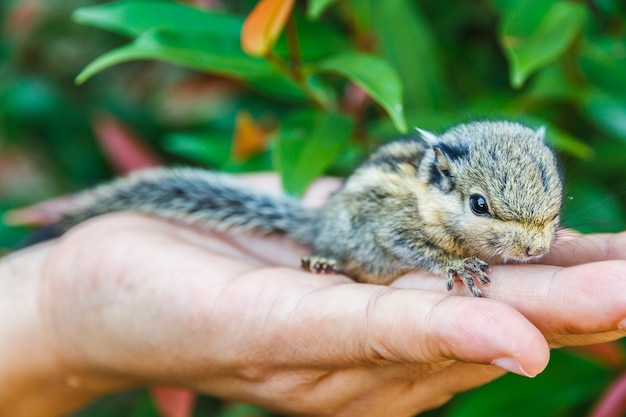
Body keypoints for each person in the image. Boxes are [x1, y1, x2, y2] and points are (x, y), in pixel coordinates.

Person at [2, 174, 626, 417]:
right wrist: (60, 314)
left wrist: (55, 318)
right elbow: (402, 238)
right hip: (352, 237)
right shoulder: (414, 211)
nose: (532, 244)